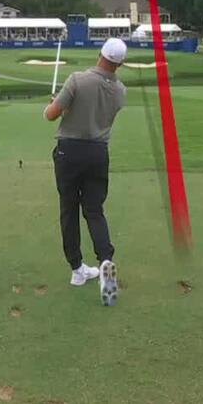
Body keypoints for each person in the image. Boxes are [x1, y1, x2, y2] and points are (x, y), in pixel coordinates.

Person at [45, 37, 127, 305]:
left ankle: (77, 270)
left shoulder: (77, 80)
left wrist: (55, 104)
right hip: (97, 153)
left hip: (69, 151)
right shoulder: (120, 91)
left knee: (69, 209)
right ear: (120, 63)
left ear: (99, 54)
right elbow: (94, 113)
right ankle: (105, 261)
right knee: (94, 210)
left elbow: (51, 114)